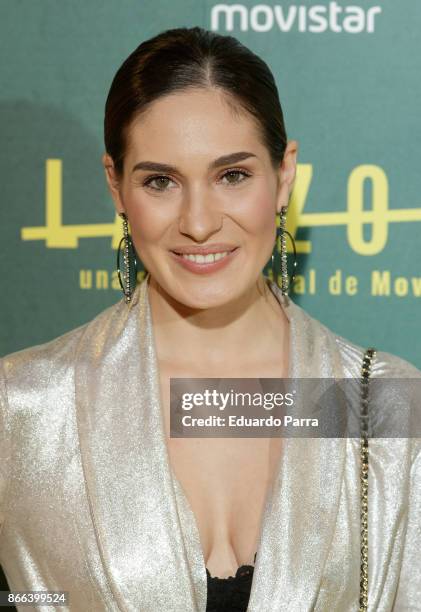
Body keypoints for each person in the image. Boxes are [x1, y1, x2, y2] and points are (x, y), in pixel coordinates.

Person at [0, 26, 420, 612]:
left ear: (284, 174)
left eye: (232, 175)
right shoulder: (22, 408)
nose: (199, 222)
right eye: (161, 181)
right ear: (116, 186)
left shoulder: (388, 410)